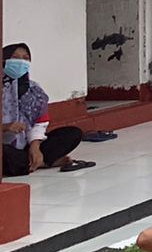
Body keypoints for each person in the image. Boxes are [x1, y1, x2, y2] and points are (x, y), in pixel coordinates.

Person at [2, 42, 89, 174]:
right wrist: (5, 127)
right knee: (5, 154)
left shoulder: (33, 89)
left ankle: (31, 160)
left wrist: (35, 147)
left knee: (73, 133)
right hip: (4, 147)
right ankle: (39, 162)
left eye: (25, 59)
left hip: (24, 144)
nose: (20, 62)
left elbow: (40, 122)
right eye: (15, 57)